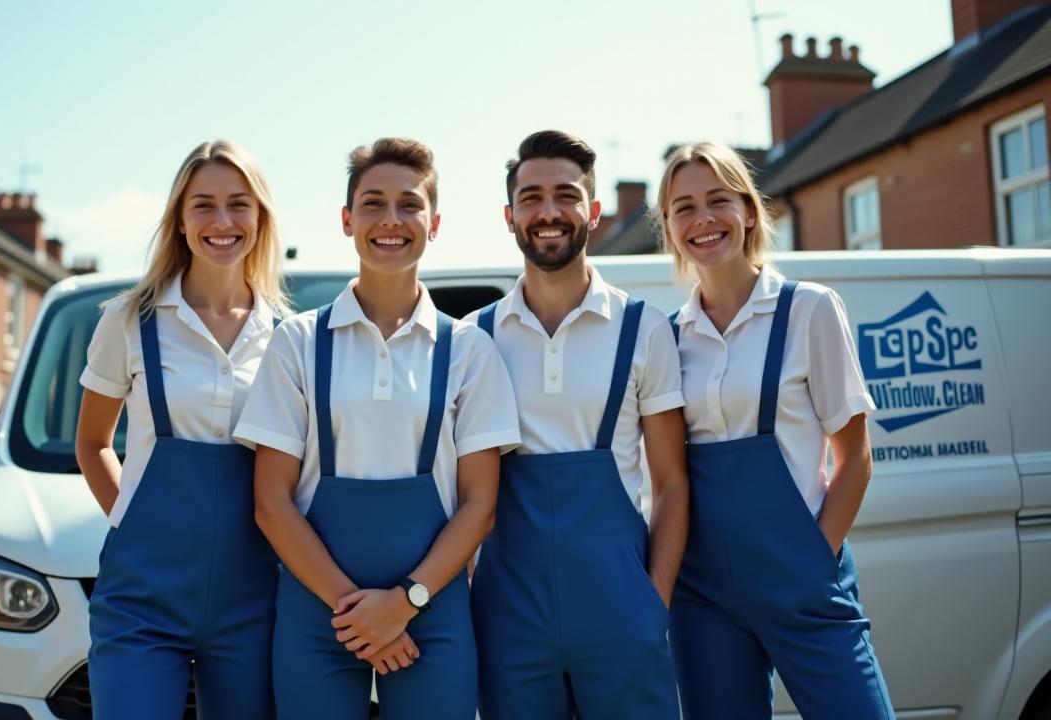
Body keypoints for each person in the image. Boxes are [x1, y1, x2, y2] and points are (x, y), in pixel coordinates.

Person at [235, 137, 520, 720]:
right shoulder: (298, 342)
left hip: (434, 610)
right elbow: (270, 501)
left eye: (409, 205)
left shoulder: (469, 349)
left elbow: (480, 506)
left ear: (434, 223)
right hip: (316, 614)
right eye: (373, 203)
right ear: (346, 219)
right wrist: (364, 615)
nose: (391, 220)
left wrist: (405, 603)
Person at [658, 141, 894, 719]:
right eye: (684, 207)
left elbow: (854, 453)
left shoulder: (809, 309)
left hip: (802, 579)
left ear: (750, 212)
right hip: (703, 593)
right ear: (667, 228)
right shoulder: (665, 337)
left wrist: (817, 557)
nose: (703, 219)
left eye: (718, 200)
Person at [468, 130, 688, 719]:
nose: (548, 211)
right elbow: (461, 493)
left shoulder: (644, 328)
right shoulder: (475, 338)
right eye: (531, 196)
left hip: (621, 614)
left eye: (565, 195)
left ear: (591, 210)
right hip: (508, 618)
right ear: (509, 215)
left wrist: (652, 604)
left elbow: (670, 482)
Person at [75, 140, 286, 719]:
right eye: (204, 205)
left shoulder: (289, 338)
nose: (222, 222)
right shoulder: (127, 320)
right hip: (142, 597)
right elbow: (92, 443)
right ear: (180, 220)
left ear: (260, 218)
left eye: (238, 204)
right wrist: (132, 518)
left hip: (255, 596)